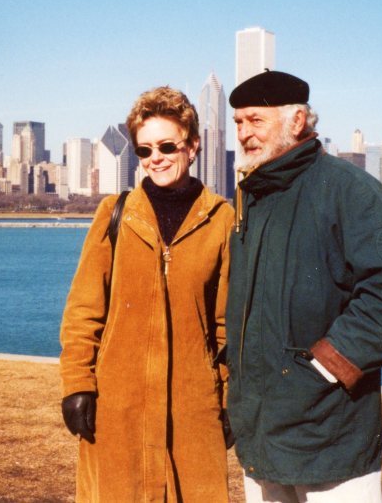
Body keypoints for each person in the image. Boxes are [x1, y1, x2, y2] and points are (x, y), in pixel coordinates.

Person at [225, 70, 382, 503]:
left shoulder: (350, 190)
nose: (244, 133)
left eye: (255, 120)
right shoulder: (250, 198)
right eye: (238, 122)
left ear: (297, 121)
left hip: (331, 433)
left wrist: (322, 370)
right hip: (261, 432)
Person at [59, 86, 234, 502]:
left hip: (193, 411)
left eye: (167, 146)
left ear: (192, 146)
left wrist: (229, 398)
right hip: (117, 409)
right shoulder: (114, 214)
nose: (155, 158)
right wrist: (77, 384)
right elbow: (83, 311)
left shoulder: (222, 219)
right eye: (144, 150)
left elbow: (227, 324)